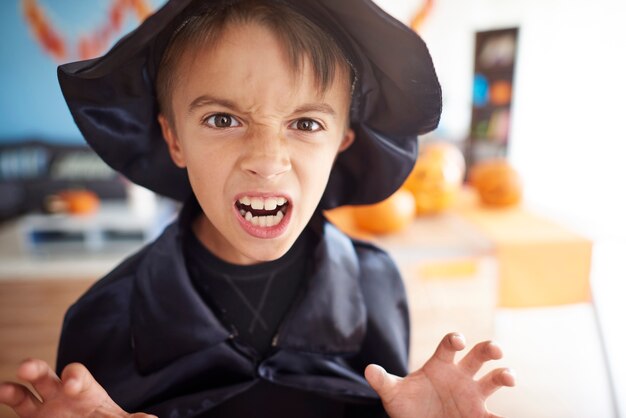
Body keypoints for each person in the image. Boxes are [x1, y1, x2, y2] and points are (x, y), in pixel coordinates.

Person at [0, 0, 515, 416]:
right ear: (173, 138)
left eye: (306, 123)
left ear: (342, 140)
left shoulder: (374, 284)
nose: (267, 162)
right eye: (223, 120)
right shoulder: (103, 320)